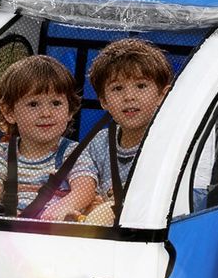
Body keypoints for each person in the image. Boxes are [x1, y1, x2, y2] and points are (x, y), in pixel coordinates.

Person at [65, 38, 174, 223]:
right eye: (117, 88)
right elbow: (86, 190)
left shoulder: (169, 143)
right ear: (104, 101)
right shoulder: (98, 143)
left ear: (162, 95)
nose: (129, 97)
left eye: (141, 86)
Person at [0, 55, 82, 219]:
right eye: (33, 104)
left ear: (69, 111)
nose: (46, 113)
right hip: (14, 229)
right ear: (9, 113)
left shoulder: (74, 153)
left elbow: (84, 191)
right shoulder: (3, 154)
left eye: (56, 103)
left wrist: (63, 208)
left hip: (57, 229)